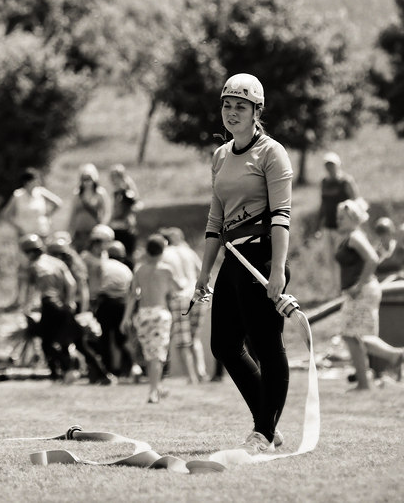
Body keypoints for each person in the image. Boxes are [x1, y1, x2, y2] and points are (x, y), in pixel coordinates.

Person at [192, 73, 291, 454]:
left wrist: (277, 269)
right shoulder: (220, 155)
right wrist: (204, 273)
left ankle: (263, 432)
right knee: (224, 345)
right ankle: (267, 423)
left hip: (262, 257)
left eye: (241, 107)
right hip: (232, 260)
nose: (232, 113)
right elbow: (215, 220)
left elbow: (282, 216)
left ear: (256, 111)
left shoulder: (272, 153)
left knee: (268, 346)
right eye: (227, 105)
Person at [17, 234, 114, 385]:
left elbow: (30, 291)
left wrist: (26, 308)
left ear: (28, 252)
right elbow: (71, 284)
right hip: (64, 307)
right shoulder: (57, 263)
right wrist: (68, 302)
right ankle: (103, 374)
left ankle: (61, 374)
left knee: (46, 343)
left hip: (49, 305)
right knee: (79, 343)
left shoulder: (34, 266)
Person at [335, 199, 404, 391]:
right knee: (355, 336)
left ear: (353, 218)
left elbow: (372, 259)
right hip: (361, 291)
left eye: (342, 217)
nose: (338, 221)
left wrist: (358, 285)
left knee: (351, 335)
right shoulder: (351, 236)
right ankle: (393, 357)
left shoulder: (355, 237)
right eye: (338, 217)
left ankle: (364, 383)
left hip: (364, 291)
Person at [123, 235, 185, 403]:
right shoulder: (166, 269)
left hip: (142, 315)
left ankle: (157, 388)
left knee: (151, 356)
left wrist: (125, 318)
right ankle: (153, 391)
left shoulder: (140, 269)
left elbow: (132, 296)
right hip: (160, 314)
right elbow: (179, 287)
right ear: (162, 250)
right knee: (158, 355)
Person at [159, 227, 206, 383]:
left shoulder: (165, 254)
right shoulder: (189, 251)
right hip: (197, 295)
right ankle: (201, 372)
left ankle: (191, 377)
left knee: (183, 341)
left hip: (179, 298)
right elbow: (201, 270)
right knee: (195, 338)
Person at [92, 238, 135, 379]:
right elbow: (132, 291)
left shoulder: (102, 265)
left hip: (106, 303)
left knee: (104, 338)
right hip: (122, 305)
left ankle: (107, 370)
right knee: (121, 339)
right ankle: (131, 367)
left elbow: (95, 287)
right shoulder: (126, 269)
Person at [318, 152, 358, 287]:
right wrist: (319, 224)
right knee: (330, 259)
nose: (329, 167)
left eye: (332, 164)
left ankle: (344, 286)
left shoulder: (346, 181)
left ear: (338, 165)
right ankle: (334, 289)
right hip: (328, 226)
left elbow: (355, 201)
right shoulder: (324, 182)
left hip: (342, 228)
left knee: (341, 257)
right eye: (327, 165)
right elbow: (323, 204)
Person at [2, 167, 63, 240]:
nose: (38, 182)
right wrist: (18, 227)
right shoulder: (18, 195)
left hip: (41, 232)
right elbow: (6, 214)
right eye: (35, 180)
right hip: (25, 233)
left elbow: (58, 203)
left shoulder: (41, 192)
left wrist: (47, 215)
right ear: (28, 182)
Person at [67, 164, 111, 252]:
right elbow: (73, 214)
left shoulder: (100, 193)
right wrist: (69, 232)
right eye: (84, 179)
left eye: (89, 179)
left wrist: (102, 227)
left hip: (94, 233)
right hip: (79, 233)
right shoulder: (78, 194)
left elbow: (107, 212)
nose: (87, 182)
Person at [108, 164, 142, 259]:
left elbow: (137, 205)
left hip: (126, 227)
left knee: (127, 255)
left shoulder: (128, 191)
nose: (114, 181)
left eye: (116, 177)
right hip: (115, 226)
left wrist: (129, 214)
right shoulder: (115, 193)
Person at [371, 217, 404, 283]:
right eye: (380, 233)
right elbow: (373, 275)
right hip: (383, 286)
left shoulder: (401, 249)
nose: (383, 236)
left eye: (385, 232)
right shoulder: (375, 252)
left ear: (391, 232)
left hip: (400, 285)